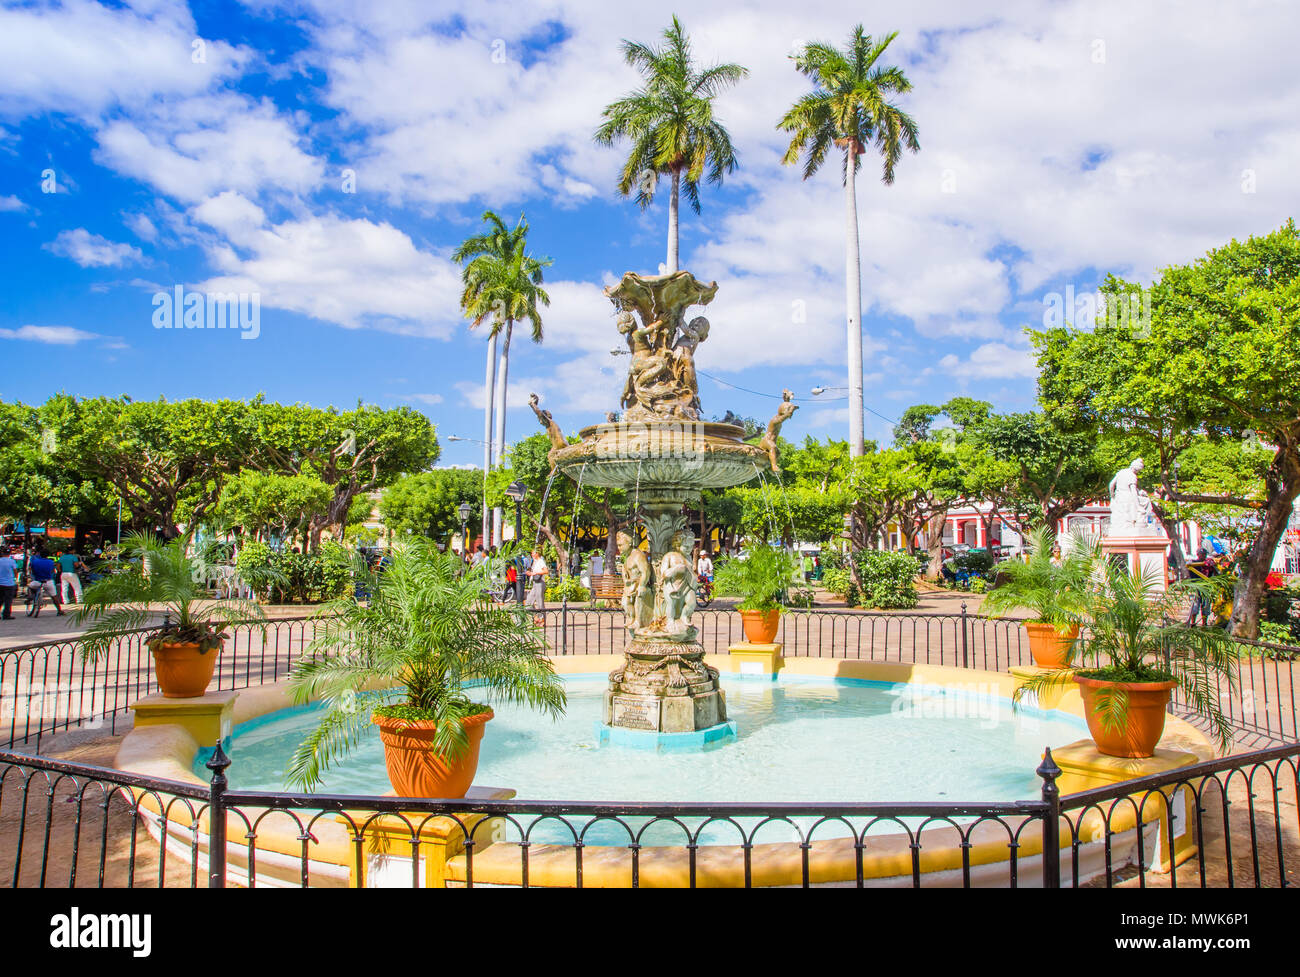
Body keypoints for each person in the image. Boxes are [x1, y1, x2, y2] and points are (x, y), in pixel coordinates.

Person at [1185, 547, 1217, 627]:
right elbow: (1187, 570)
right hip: (1196, 587)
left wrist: (1213, 566)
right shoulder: (1193, 563)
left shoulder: (1209, 563)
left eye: (1204, 554)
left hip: (1206, 587)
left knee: (1206, 606)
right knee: (1195, 606)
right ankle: (1193, 622)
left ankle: (1204, 623)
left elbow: (1215, 573)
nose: (1203, 556)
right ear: (1197, 554)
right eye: (1201, 554)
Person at [27, 547, 64, 616]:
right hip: (48, 581)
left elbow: (32, 571)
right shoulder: (51, 562)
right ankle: (59, 610)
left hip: (37, 581)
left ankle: (31, 597)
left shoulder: (35, 561)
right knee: (54, 596)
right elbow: (52, 571)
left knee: (30, 587)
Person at [524, 548, 548, 621]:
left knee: (539, 601)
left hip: (540, 583)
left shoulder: (541, 561)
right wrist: (530, 573)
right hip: (535, 583)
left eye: (533, 553)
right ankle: (536, 617)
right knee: (528, 602)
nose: (532, 555)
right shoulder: (535, 562)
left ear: (537, 553)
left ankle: (542, 618)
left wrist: (536, 573)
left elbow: (546, 571)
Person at [0, 548, 16, 620]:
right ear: (9, 554)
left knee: (0, 599)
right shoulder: (12, 561)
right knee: (8, 600)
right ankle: (6, 615)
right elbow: (15, 571)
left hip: (0, 583)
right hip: (9, 583)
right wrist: (15, 578)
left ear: (2, 553)